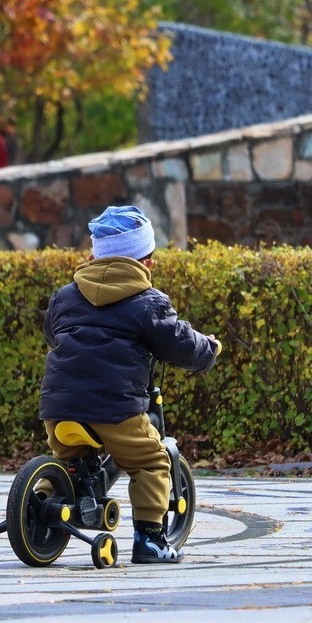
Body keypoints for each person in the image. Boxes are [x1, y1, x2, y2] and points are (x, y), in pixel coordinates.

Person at [39, 205, 221, 564]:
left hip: (58, 406)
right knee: (152, 461)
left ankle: (39, 504)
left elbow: (52, 334)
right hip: (115, 407)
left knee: (66, 461)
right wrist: (209, 350)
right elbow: (179, 343)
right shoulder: (148, 303)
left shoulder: (64, 296)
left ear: (92, 256)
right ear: (147, 261)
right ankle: (151, 540)